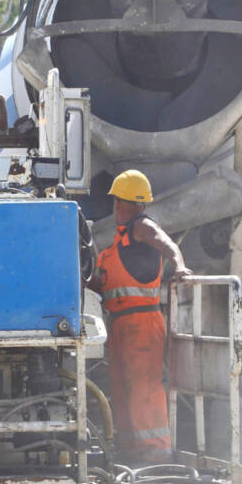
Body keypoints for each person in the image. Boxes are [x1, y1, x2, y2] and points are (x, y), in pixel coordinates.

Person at [88, 170, 192, 464]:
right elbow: (108, 286)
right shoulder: (119, 242)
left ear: (120, 203)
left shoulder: (142, 227)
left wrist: (180, 265)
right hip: (121, 324)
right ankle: (132, 451)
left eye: (117, 202)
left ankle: (157, 453)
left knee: (144, 387)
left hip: (142, 323)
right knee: (122, 388)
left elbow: (168, 244)